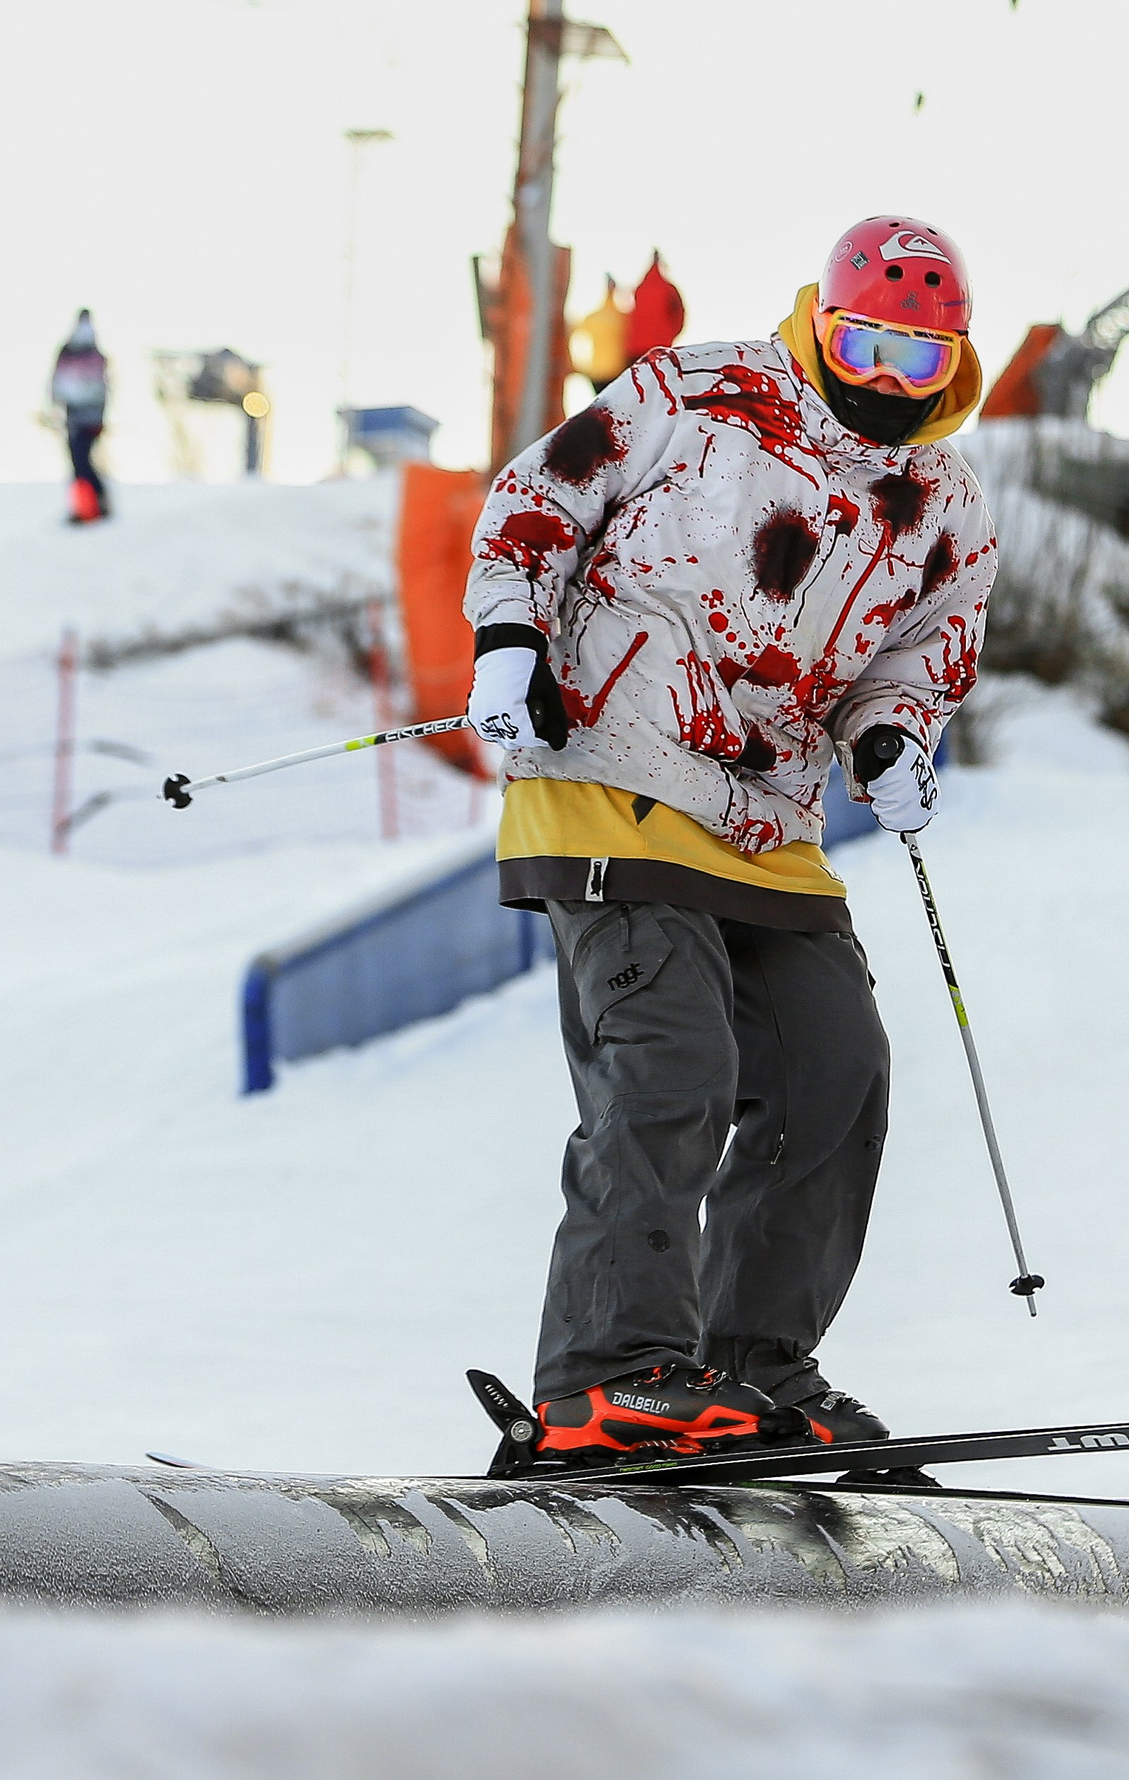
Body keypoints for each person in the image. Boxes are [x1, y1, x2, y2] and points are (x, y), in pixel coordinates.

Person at [462, 215, 997, 1466]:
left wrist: (891, 739)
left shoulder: (945, 501)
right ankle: (609, 1374)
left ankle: (755, 1370)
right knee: (670, 1068)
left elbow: (922, 651)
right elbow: (539, 498)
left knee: (835, 1074)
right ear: (821, 318)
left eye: (919, 361)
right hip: (612, 765)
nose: (884, 378)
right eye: (867, 342)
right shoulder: (696, 394)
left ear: (953, 363)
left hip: (768, 823)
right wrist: (508, 638)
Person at [51, 311, 111, 524]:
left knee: (81, 462)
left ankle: (94, 506)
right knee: (79, 462)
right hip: (77, 415)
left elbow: (100, 389)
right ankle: (88, 506)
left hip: (85, 417)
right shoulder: (85, 354)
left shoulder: (86, 355)